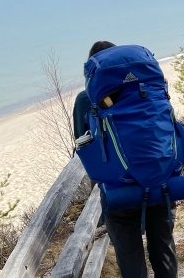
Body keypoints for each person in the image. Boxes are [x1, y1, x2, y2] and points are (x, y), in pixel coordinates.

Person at [73, 40, 178, 278]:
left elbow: (83, 144)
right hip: (158, 179)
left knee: (129, 255)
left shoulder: (85, 99)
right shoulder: (147, 88)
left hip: (118, 188)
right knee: (163, 248)